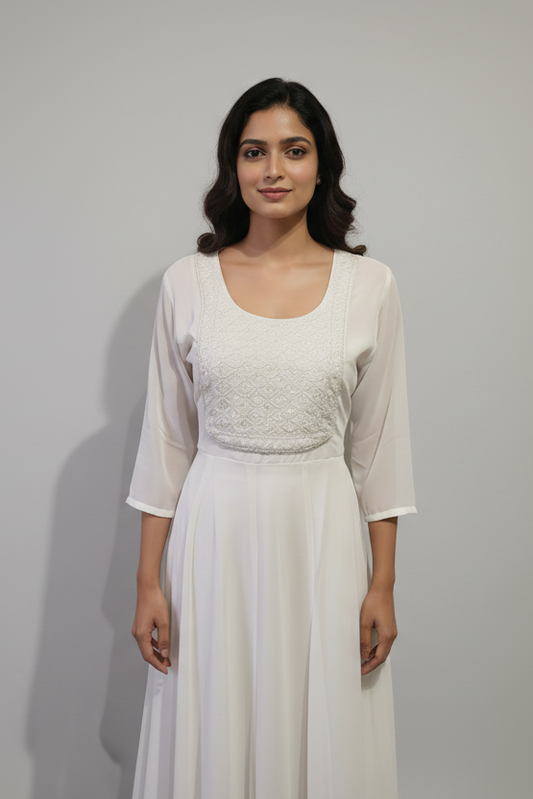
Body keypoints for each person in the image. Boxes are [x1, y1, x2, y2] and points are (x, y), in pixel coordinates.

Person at [126, 77, 417, 799]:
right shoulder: (186, 282)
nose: (274, 169)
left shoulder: (370, 286)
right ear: (233, 165)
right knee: (214, 721)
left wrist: (382, 584)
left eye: (295, 149)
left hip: (321, 534)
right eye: (254, 151)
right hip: (212, 535)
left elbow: (379, 449)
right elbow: (167, 443)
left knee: (319, 723)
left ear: (323, 165)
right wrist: (147, 582)